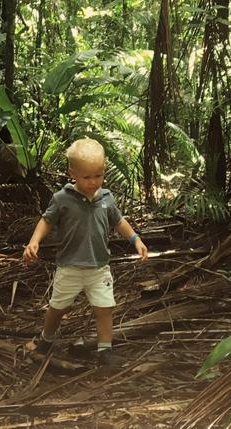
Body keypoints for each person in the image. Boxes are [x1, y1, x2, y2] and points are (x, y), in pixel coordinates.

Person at [23, 137, 149, 366]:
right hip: (69, 266)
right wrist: (34, 242)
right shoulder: (62, 199)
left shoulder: (106, 198)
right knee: (57, 308)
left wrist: (136, 239)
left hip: (99, 267)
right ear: (72, 173)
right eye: (87, 177)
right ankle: (46, 339)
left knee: (104, 308)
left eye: (98, 176)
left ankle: (105, 350)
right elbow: (46, 221)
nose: (93, 182)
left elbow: (119, 221)